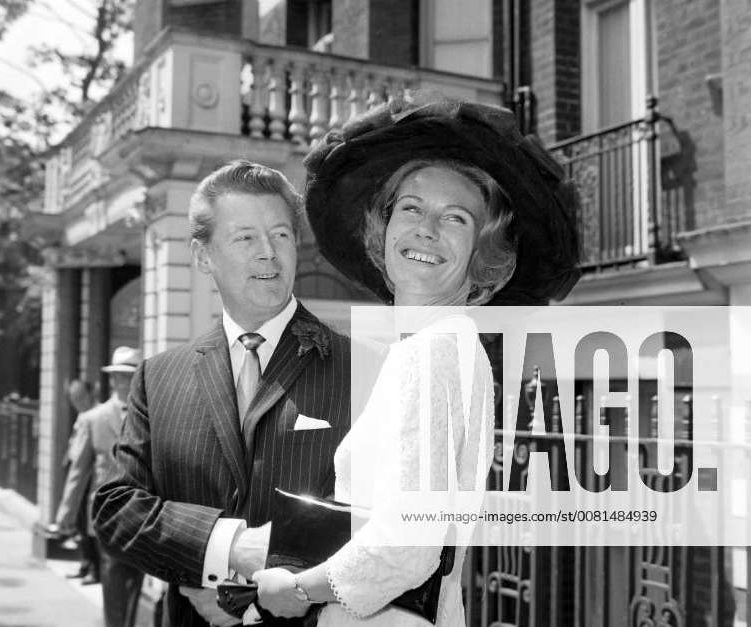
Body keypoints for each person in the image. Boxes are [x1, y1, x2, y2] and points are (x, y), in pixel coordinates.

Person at [250, 97, 580, 625]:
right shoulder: (431, 345)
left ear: (481, 253)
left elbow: (408, 543)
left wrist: (297, 588)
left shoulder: (435, 350)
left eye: (455, 218)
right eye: (411, 207)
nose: (426, 228)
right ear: (384, 228)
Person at [92, 160, 351, 627]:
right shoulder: (158, 377)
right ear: (202, 255)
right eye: (245, 237)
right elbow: (116, 509)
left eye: (281, 235)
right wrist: (225, 547)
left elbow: (381, 522)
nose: (268, 253)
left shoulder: (360, 366)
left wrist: (248, 598)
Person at [69, 348, 145, 627]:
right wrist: (65, 516)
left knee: (135, 585)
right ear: (111, 380)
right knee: (113, 583)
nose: (123, 383)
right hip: (107, 515)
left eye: (130, 376)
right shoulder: (94, 418)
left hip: (144, 514)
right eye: (119, 377)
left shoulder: (153, 416)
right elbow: (78, 471)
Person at [50, 378, 101, 584]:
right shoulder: (82, 415)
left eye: (80, 397)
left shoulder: (96, 415)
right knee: (79, 525)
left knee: (87, 524)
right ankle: (85, 564)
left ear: (90, 394)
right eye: (73, 398)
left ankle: (93, 569)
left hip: (89, 478)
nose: (77, 402)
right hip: (77, 474)